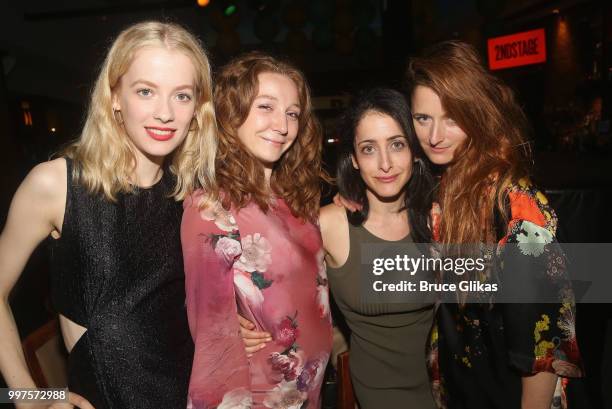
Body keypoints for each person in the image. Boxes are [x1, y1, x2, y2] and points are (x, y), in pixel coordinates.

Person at [0, 21, 216, 409]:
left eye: (182, 96)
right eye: (146, 91)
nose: (165, 113)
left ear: (197, 109)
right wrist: (28, 396)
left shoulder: (192, 196)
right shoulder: (56, 185)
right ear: (114, 97)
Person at [406, 41, 582, 409]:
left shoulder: (518, 207)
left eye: (452, 117)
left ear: (477, 114)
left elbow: (542, 348)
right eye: (423, 118)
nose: (434, 135)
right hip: (464, 389)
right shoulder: (444, 186)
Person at [181, 52, 332, 409]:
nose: (282, 125)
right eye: (266, 106)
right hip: (260, 394)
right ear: (232, 113)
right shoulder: (211, 206)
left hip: (308, 388)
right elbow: (210, 343)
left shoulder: (296, 200)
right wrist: (226, 327)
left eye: (292, 113)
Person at [319, 88, 437, 408]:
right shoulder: (330, 225)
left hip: (448, 390)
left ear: (414, 149)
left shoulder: (441, 220)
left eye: (396, 144)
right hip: (376, 397)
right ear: (354, 159)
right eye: (369, 149)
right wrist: (242, 321)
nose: (385, 163)